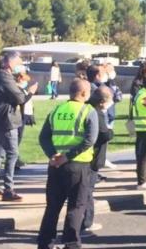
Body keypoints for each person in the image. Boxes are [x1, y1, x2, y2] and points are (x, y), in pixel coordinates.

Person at [35, 79, 99, 249]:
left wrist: (52, 154)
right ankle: (71, 244)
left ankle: (45, 243)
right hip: (78, 165)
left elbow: (43, 137)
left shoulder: (57, 110)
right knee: (76, 207)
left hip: (56, 165)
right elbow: (90, 140)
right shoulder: (88, 110)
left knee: (52, 207)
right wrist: (68, 155)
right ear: (84, 93)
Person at [0, 53, 38, 200]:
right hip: (7, 120)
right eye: (19, 63)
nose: (20, 67)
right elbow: (20, 98)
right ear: (10, 64)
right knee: (12, 153)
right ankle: (8, 189)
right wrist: (30, 92)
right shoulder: (4, 77)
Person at [81, 86, 113, 236]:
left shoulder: (85, 108)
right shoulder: (97, 113)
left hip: (85, 157)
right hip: (92, 157)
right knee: (87, 191)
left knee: (83, 190)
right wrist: (111, 132)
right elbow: (103, 134)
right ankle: (86, 223)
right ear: (102, 102)